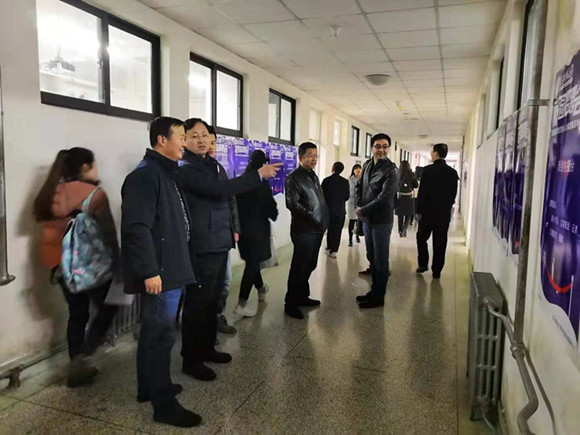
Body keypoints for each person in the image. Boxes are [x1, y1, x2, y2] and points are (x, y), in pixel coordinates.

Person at [178, 118, 281, 381]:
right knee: (198, 304)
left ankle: (207, 348)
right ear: (184, 140)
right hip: (202, 246)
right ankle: (191, 360)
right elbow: (220, 190)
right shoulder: (187, 169)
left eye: (205, 135)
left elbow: (228, 198)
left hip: (219, 242)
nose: (202, 140)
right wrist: (257, 175)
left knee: (212, 302)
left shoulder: (212, 164)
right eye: (194, 136)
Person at [121, 117, 201, 427]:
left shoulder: (165, 172)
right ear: (161, 140)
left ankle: (149, 388)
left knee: (154, 333)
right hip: (160, 272)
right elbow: (137, 227)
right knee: (160, 336)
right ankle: (164, 406)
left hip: (170, 265)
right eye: (181, 136)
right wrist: (149, 270)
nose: (185, 143)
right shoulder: (144, 175)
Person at [33, 147, 119, 388]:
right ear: (85, 167)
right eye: (94, 164)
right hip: (90, 265)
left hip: (60, 266)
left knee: (78, 313)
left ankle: (76, 366)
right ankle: (84, 356)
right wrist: (117, 261)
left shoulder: (52, 191)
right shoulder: (95, 194)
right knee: (111, 306)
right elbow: (108, 234)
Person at [355, 133, 399, 309]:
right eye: (378, 146)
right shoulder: (367, 165)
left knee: (381, 260)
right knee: (372, 257)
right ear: (372, 147)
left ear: (388, 148)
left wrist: (362, 210)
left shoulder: (392, 170)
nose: (381, 150)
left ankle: (379, 297)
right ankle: (373, 291)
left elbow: (385, 198)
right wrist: (358, 205)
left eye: (385, 146)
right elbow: (359, 187)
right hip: (367, 220)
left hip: (381, 220)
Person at [284, 142, 328, 319]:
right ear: (300, 157)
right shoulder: (294, 178)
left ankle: (302, 296)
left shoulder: (313, 176)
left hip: (316, 229)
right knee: (299, 267)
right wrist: (312, 216)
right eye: (310, 155)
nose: (314, 159)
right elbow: (292, 203)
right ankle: (290, 303)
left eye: (316, 155)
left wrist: (323, 219)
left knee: (310, 265)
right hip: (304, 230)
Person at [234, 150, 278, 317]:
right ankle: (241, 303)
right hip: (257, 230)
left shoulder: (243, 180)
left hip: (242, 230)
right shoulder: (261, 183)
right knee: (252, 265)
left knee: (253, 262)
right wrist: (274, 213)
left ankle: (261, 289)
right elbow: (269, 207)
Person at [207, 127, 237, 335]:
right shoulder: (188, 170)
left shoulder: (219, 169)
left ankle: (216, 317)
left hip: (222, 237)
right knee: (205, 288)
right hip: (205, 240)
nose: (209, 146)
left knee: (224, 281)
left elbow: (231, 199)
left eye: (213, 142)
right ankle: (204, 328)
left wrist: (235, 227)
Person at [415, 143, 459, 279]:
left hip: (427, 213)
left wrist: (418, 210)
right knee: (440, 242)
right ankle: (437, 270)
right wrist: (447, 208)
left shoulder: (427, 170)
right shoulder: (452, 173)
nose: (431, 154)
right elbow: (453, 194)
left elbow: (422, 192)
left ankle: (423, 264)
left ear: (436, 153)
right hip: (443, 214)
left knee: (421, 238)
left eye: (432, 152)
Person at [322, 162, 350, 258]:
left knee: (330, 229)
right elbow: (347, 196)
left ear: (333, 168)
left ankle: (329, 247)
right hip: (340, 210)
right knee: (338, 231)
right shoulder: (345, 182)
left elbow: (322, 195)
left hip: (329, 210)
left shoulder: (326, 181)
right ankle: (334, 250)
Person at [395, 160, 418, 238]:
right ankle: (405, 228)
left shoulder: (397, 174)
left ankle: (400, 231)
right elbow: (416, 185)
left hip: (400, 196)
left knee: (400, 215)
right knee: (408, 214)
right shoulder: (411, 174)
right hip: (409, 197)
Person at [347, 164, 362, 247]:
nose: (358, 170)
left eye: (359, 168)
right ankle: (350, 239)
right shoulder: (349, 180)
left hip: (360, 202)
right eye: (356, 168)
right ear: (353, 170)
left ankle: (357, 236)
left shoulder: (363, 179)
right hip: (351, 202)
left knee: (358, 221)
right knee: (352, 221)